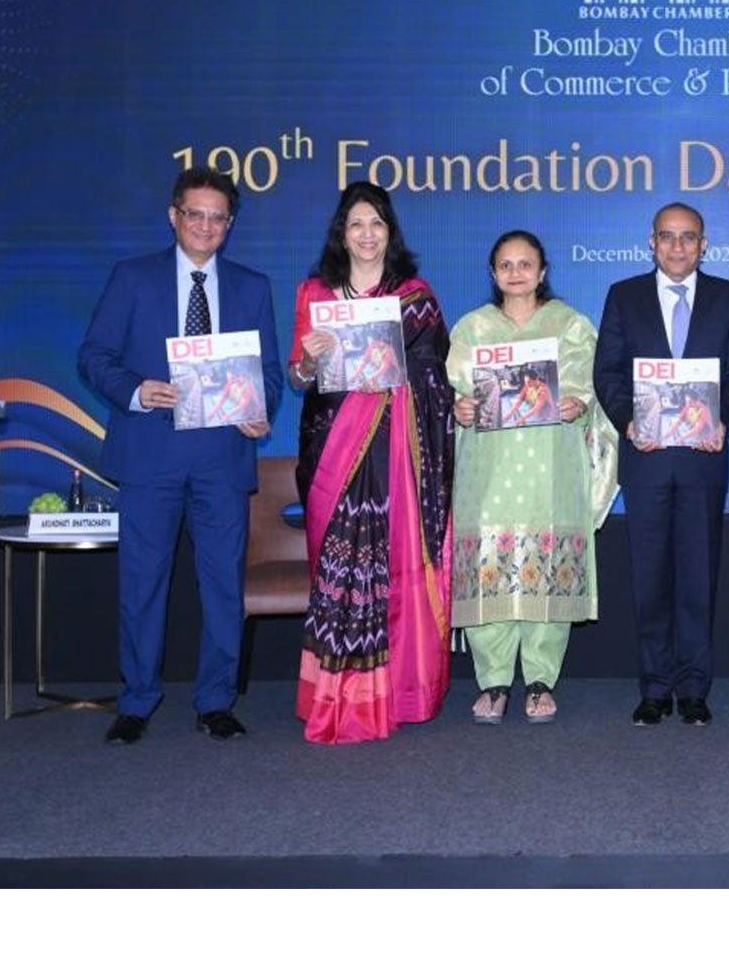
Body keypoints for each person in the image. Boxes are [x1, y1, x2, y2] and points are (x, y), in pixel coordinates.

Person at [78, 168, 281, 745]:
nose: (206, 226)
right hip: (149, 455)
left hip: (222, 456)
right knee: (142, 583)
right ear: (174, 216)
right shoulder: (132, 278)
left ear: (230, 225)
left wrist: (259, 408)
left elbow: (267, 377)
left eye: (218, 217)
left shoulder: (251, 286)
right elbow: (94, 357)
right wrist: (138, 391)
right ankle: (138, 699)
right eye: (196, 214)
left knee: (222, 586)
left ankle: (216, 701)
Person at [289, 181, 454, 744]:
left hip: (398, 456)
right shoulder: (315, 293)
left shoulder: (415, 296)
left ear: (390, 231)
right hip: (333, 451)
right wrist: (308, 362)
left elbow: (436, 376)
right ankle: (337, 696)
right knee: (339, 574)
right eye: (356, 223)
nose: (366, 234)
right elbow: (299, 380)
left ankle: (400, 693)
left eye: (376, 223)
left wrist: (400, 385)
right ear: (342, 231)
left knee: (397, 574)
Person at [447, 231, 618, 723]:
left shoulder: (571, 326)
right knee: (488, 564)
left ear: (543, 272)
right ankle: (494, 680)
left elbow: (592, 389)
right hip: (489, 467)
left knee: (547, 563)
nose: (516, 272)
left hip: (550, 465)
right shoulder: (472, 329)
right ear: (493, 272)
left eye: (526, 264)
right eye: (506, 264)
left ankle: (541, 678)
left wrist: (579, 403)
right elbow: (454, 395)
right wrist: (458, 408)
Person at [593, 202, 729, 726]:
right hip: (646, 456)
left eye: (688, 237)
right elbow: (608, 371)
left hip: (703, 458)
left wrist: (723, 419)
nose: (678, 247)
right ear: (651, 242)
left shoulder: (728, 297)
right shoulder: (624, 296)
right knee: (649, 577)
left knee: (698, 577)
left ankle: (695, 688)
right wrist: (627, 421)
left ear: (704, 244)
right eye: (668, 236)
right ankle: (655, 688)